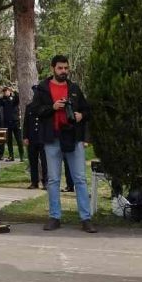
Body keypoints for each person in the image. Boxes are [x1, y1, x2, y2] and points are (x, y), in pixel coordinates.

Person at [29, 55, 96, 233]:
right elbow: (34, 110)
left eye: (66, 68)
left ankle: (86, 218)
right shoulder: (43, 88)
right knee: (53, 179)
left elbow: (87, 110)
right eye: (60, 68)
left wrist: (81, 115)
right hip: (52, 139)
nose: (63, 71)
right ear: (53, 68)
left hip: (73, 138)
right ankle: (54, 216)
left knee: (80, 179)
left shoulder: (74, 88)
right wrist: (52, 107)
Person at [22, 102, 47, 189]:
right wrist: (25, 136)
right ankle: (34, 182)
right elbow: (26, 122)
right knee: (33, 161)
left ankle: (46, 181)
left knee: (44, 161)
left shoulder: (46, 106)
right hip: (32, 137)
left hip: (43, 137)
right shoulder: (29, 106)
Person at [0, 86, 24, 162]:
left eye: (7, 91)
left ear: (9, 91)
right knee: (9, 141)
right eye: (4, 91)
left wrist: (14, 91)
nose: (6, 92)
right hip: (7, 123)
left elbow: (18, 98)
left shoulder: (14, 99)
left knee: (19, 140)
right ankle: (11, 156)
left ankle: (21, 156)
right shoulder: (3, 100)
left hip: (15, 122)